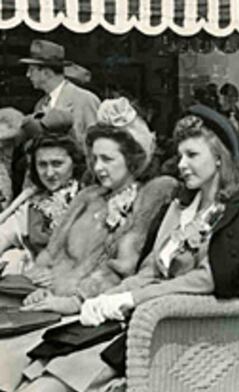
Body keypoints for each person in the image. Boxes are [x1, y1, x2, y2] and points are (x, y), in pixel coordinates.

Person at [0, 105, 239, 392]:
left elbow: (210, 280)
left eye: (192, 155)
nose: (182, 165)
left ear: (220, 157)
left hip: (180, 328)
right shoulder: (179, 207)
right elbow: (149, 269)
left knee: (68, 365)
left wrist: (131, 301)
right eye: (180, 155)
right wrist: (105, 300)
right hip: (136, 318)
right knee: (48, 354)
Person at [10, 98, 177, 315]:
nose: (98, 167)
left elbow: (123, 270)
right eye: (95, 158)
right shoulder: (87, 197)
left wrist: (77, 300)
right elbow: (52, 254)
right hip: (52, 302)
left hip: (98, 309)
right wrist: (40, 287)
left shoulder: (149, 196)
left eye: (107, 159)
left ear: (131, 160)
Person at [0, 112, 85, 273]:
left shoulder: (88, 200)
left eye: (57, 164)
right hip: (33, 279)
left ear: (74, 163)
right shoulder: (32, 204)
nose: (49, 173)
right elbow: (4, 234)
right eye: (42, 165)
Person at [21, 39, 101, 144]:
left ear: (46, 73)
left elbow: (97, 142)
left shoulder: (85, 100)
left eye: (31, 70)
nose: (28, 75)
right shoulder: (40, 106)